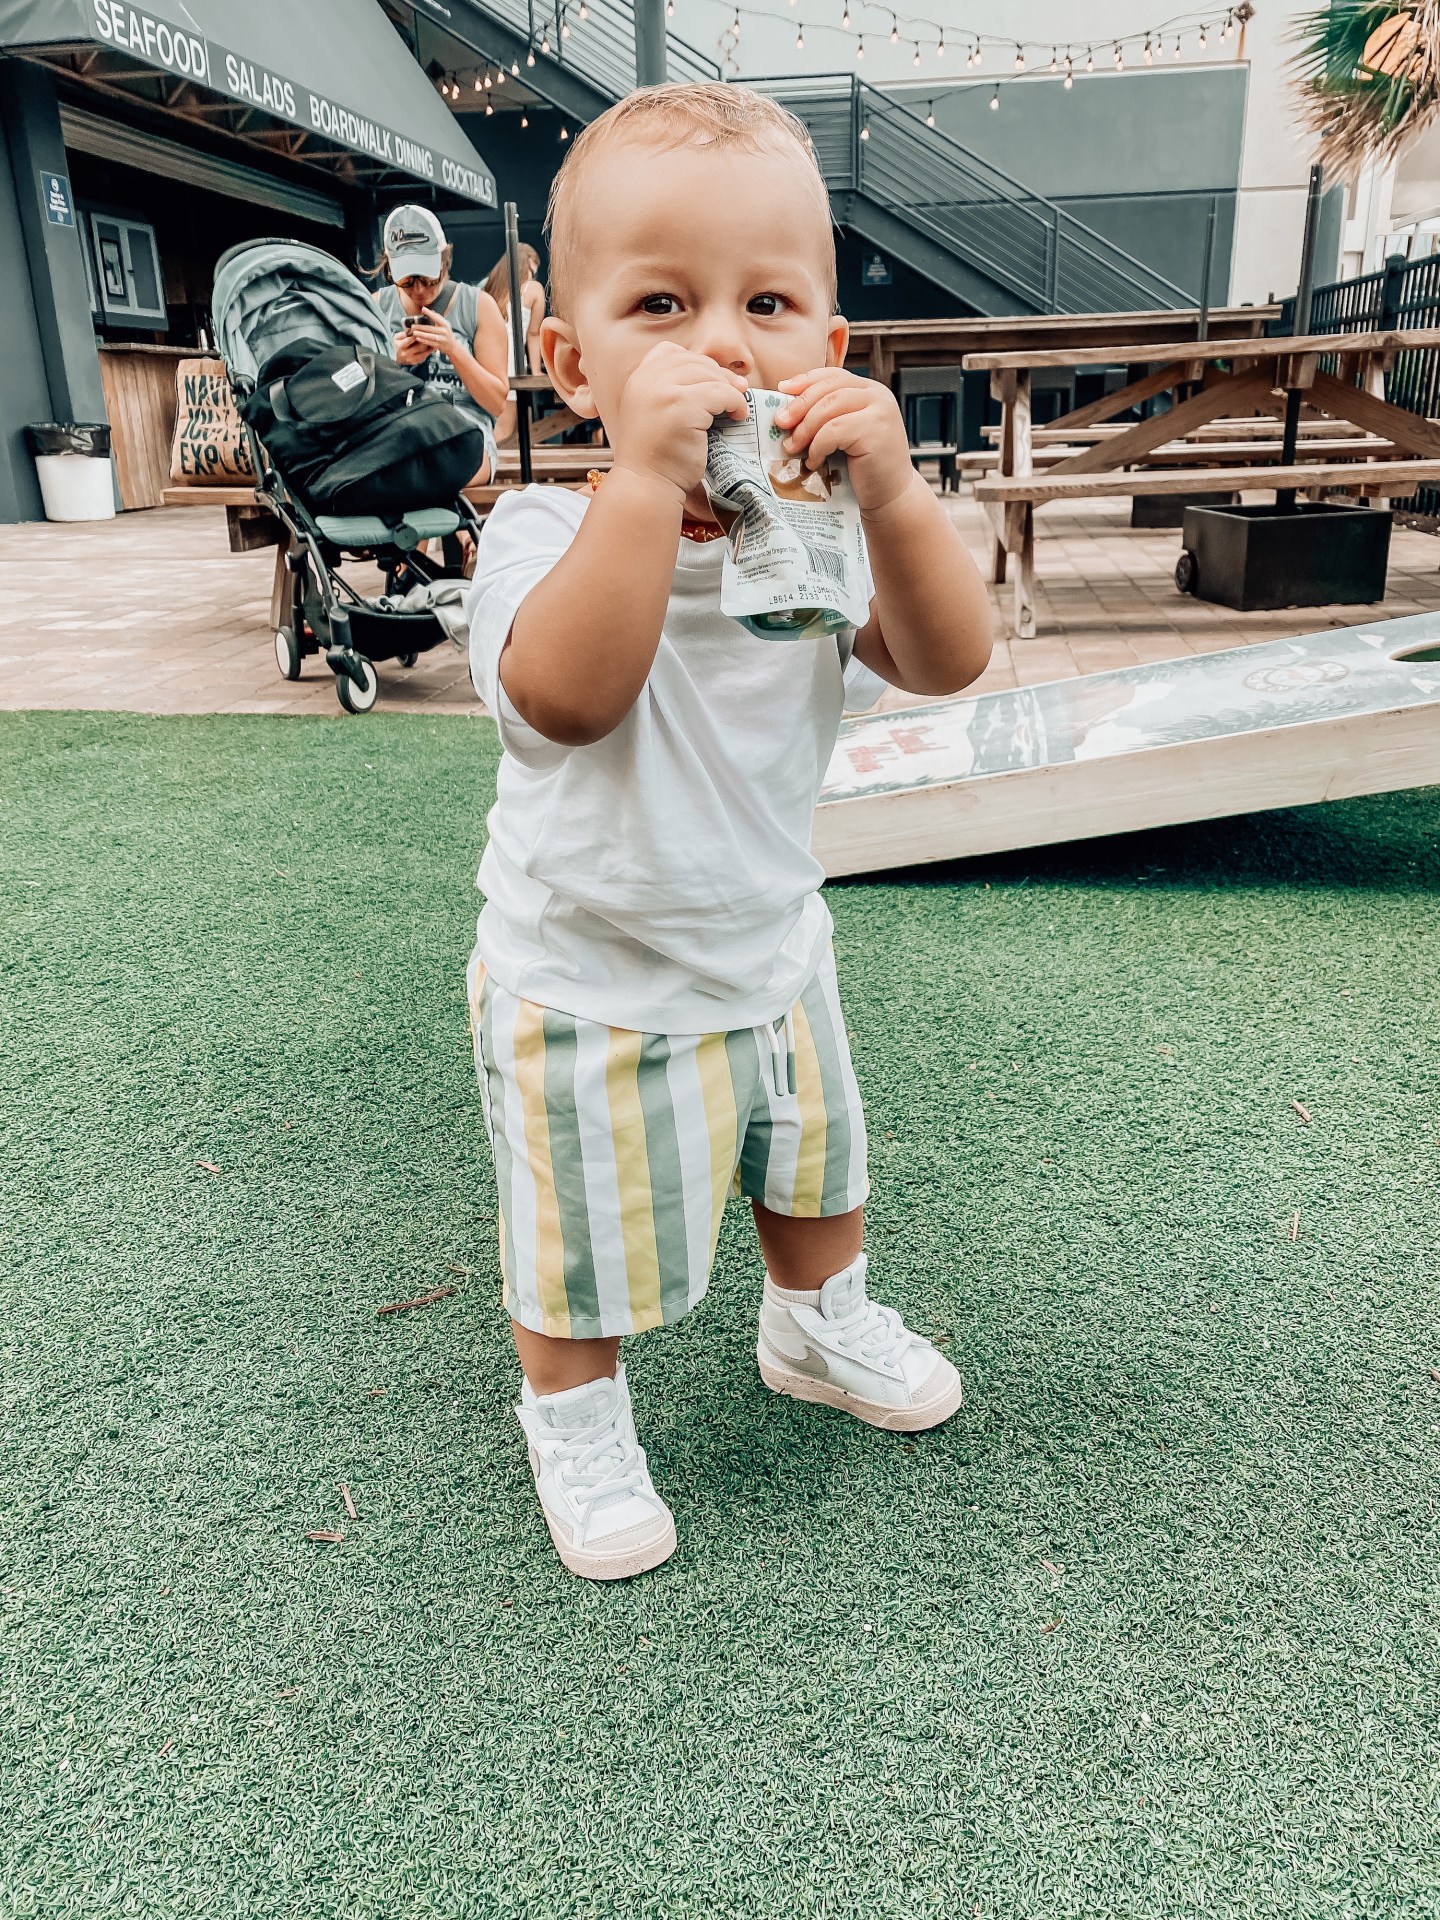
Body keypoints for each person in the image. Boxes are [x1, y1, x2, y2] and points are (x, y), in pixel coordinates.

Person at [464, 84, 994, 1582]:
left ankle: (815, 1321)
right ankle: (571, 1409)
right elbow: (567, 698)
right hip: (594, 977)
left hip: (771, 943)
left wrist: (891, 491)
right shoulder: (540, 536)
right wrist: (642, 481)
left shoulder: (823, 534)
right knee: (583, 1243)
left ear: (827, 350)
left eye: (767, 301)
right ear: (571, 365)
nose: (718, 344)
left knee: (814, 1170)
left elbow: (948, 663)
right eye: (660, 304)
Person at [372, 204, 509, 483]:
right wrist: (389, 359)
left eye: (429, 279)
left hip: (462, 431)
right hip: (397, 431)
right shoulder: (376, 307)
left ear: (445, 260)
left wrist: (454, 350)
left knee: (426, 472)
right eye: (407, 281)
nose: (420, 290)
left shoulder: (478, 306)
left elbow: (496, 403)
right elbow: (356, 397)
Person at [484, 242, 547, 447]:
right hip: (510, 362)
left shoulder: (488, 287)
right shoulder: (533, 290)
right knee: (504, 429)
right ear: (524, 268)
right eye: (531, 271)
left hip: (484, 358)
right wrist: (536, 371)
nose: (532, 276)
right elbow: (534, 334)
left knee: (492, 424)